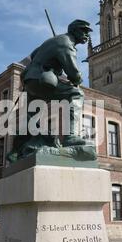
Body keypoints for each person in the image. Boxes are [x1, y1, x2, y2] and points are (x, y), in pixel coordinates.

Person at [21, 19, 93, 147]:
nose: (87, 35)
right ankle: (70, 136)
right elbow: (74, 74)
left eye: (88, 32)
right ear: (74, 30)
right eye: (83, 30)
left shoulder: (57, 40)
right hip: (41, 80)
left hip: (30, 80)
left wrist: (54, 66)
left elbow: (34, 54)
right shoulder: (66, 44)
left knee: (33, 114)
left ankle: (21, 149)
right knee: (76, 94)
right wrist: (77, 81)